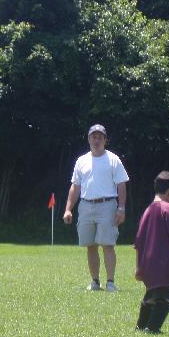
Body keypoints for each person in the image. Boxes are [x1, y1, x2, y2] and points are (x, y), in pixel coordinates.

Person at [63, 124, 129, 292]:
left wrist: (121, 208)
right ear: (89, 139)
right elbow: (75, 187)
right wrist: (68, 209)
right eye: (94, 137)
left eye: (100, 137)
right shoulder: (81, 161)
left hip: (107, 205)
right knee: (90, 245)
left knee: (108, 244)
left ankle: (110, 282)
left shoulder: (113, 159)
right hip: (86, 206)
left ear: (105, 140)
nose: (96, 140)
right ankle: (95, 281)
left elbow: (121, 185)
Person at [134, 171, 169, 333]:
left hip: (148, 264)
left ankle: (141, 327)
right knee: (164, 300)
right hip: (164, 264)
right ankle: (152, 329)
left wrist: (138, 267)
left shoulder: (148, 210)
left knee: (151, 295)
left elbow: (138, 242)